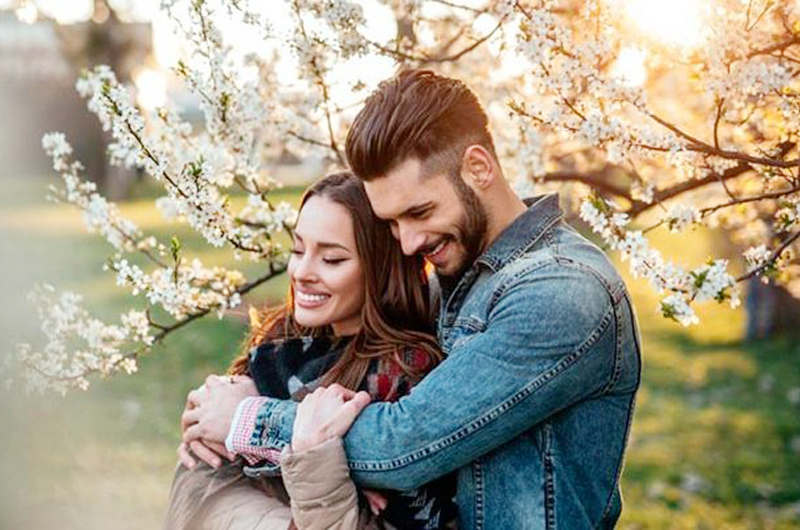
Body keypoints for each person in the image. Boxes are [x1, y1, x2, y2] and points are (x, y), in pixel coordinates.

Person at [183, 69, 643, 529]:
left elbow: (403, 443)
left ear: (479, 167)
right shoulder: (451, 270)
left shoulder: (562, 291)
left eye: (419, 212)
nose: (406, 244)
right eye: (392, 223)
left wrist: (248, 421)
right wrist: (226, 408)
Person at [164, 171, 457, 529]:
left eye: (332, 259)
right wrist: (206, 426)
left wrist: (254, 435)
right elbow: (197, 484)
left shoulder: (404, 376)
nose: (302, 272)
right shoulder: (279, 349)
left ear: (382, 269)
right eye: (298, 249)